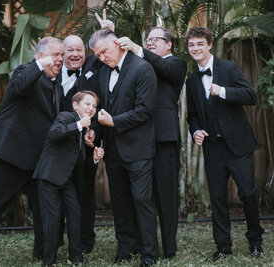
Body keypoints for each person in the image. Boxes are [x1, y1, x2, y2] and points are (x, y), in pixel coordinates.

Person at [0, 37, 64, 266]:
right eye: (56, 55)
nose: (61, 60)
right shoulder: (24, 72)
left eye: (62, 56)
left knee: (45, 209)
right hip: (7, 156)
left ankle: (43, 255)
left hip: (35, 162)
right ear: (40, 56)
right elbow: (19, 87)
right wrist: (38, 64)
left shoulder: (56, 85)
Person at [185, 26, 264, 262]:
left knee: (248, 194)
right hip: (213, 148)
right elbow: (192, 116)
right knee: (218, 199)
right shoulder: (191, 80)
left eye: (200, 43)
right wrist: (196, 130)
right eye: (191, 45)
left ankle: (256, 243)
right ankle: (223, 246)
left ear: (209, 44)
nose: (195, 48)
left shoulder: (228, 68)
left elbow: (251, 96)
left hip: (238, 146)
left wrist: (223, 91)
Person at [89, 29, 158, 267]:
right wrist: (95, 134)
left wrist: (115, 121)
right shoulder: (103, 72)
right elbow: (101, 112)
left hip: (139, 149)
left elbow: (145, 111)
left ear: (118, 44)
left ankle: (149, 254)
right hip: (113, 149)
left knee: (141, 199)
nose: (101, 58)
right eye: (97, 55)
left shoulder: (143, 68)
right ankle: (125, 248)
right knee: (119, 201)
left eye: (104, 51)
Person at [116, 27, 187, 259]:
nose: (150, 43)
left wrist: (137, 47)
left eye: (155, 39)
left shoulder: (176, 64)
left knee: (166, 195)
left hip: (163, 138)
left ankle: (169, 248)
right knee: (139, 196)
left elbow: (163, 67)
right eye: (148, 40)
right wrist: (112, 34)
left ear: (169, 45)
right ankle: (141, 244)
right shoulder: (137, 64)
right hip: (137, 138)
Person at [33, 90, 104, 267]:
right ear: (75, 105)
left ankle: (76, 256)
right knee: (52, 218)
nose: (91, 108)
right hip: (49, 177)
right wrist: (79, 125)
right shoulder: (66, 117)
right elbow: (54, 133)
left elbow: (77, 162)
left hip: (67, 181)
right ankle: (49, 261)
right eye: (87, 104)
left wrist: (94, 157)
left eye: (94, 106)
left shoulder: (85, 131)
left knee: (75, 215)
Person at [57, 35, 103, 253]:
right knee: (56, 195)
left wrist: (93, 131)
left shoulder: (94, 72)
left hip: (86, 145)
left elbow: (102, 108)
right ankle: (55, 240)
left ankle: (85, 242)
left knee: (85, 195)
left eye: (79, 50)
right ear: (62, 54)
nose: (75, 54)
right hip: (58, 146)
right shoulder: (52, 74)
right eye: (69, 51)